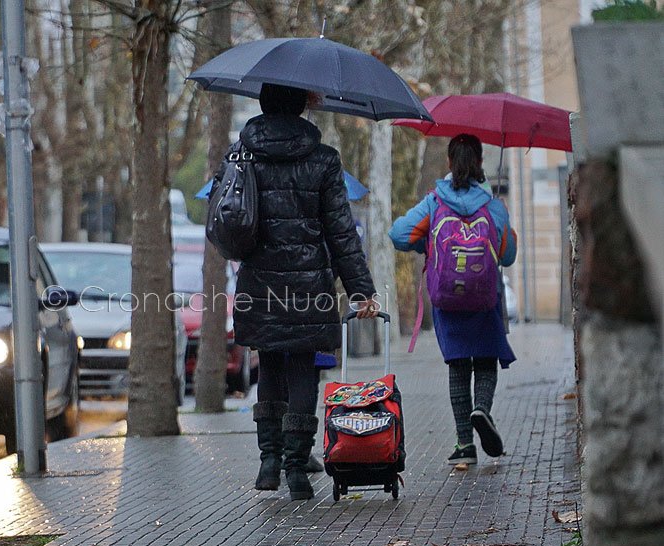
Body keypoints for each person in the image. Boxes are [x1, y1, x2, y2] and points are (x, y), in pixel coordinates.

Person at [212, 83, 380, 501]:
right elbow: (341, 233)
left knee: (268, 364)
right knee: (303, 368)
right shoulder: (323, 160)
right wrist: (361, 290)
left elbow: (223, 210)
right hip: (309, 284)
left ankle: (268, 461)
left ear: (263, 104)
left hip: (259, 279)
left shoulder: (240, 154)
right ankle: (297, 467)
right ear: (304, 106)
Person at [389, 133, 517, 465]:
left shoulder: (435, 201)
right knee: (486, 360)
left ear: (449, 163)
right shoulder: (492, 205)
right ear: (480, 164)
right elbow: (508, 256)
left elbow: (399, 234)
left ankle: (464, 445)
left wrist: (428, 245)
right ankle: (482, 409)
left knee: (458, 366)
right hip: (485, 298)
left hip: (447, 296)